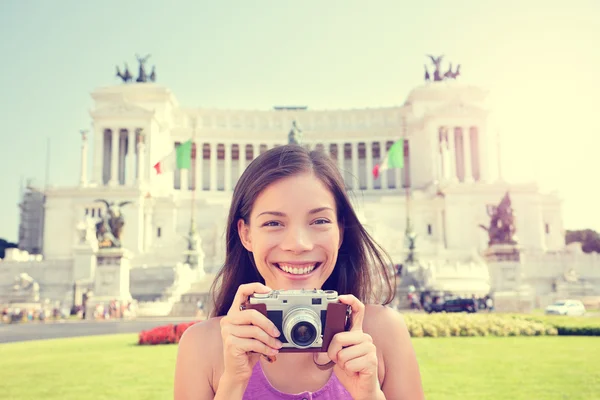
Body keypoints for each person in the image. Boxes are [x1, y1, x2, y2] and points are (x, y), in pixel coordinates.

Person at [174, 144, 424, 400]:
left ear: (340, 231)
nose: (298, 244)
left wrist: (369, 395)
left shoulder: (383, 333)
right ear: (246, 234)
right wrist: (233, 383)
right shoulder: (201, 347)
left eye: (320, 221)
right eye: (273, 223)